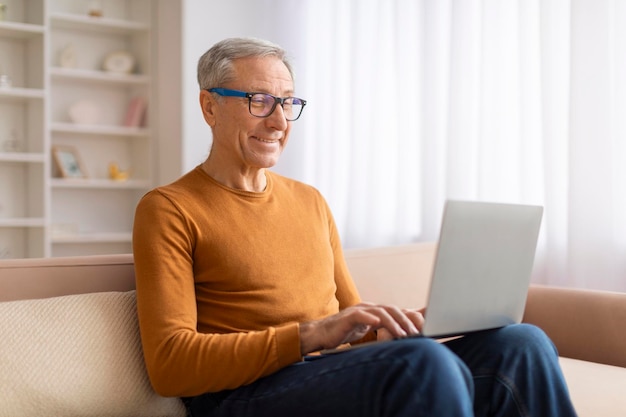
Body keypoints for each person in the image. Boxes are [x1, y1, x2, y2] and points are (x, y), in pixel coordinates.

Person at [132, 37, 577, 417]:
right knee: (419, 364)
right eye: (259, 101)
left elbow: (352, 322)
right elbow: (170, 364)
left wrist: (395, 325)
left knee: (522, 343)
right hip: (242, 395)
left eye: (287, 102)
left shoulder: (310, 201)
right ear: (210, 106)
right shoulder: (169, 209)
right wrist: (311, 335)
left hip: (324, 375)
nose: (279, 121)